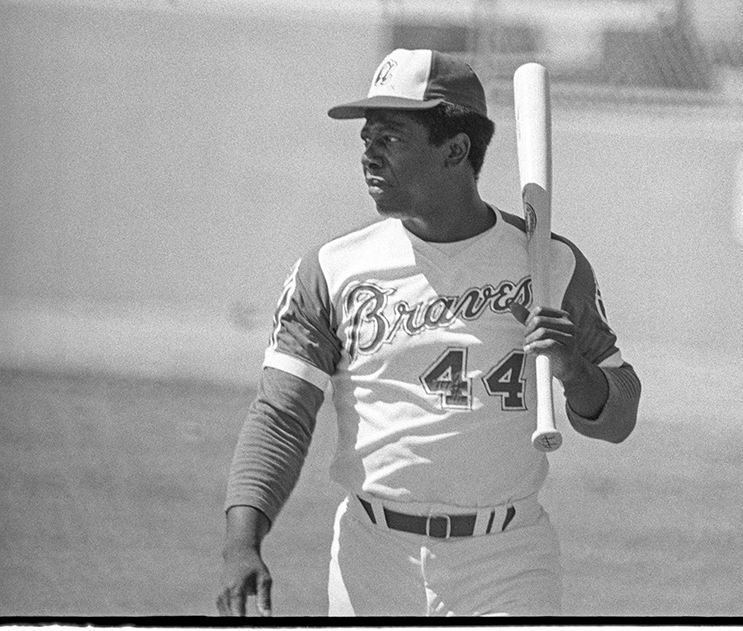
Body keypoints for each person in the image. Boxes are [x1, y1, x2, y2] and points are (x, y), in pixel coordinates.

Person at [215, 49, 641, 617]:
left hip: (507, 561)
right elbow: (281, 413)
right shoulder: (334, 269)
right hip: (372, 557)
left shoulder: (550, 266)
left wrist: (573, 369)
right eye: (366, 139)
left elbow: (619, 414)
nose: (369, 153)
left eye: (389, 138)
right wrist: (243, 540)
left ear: (455, 150)